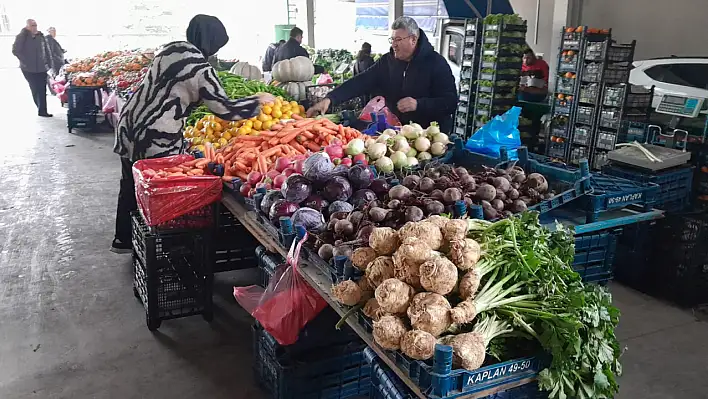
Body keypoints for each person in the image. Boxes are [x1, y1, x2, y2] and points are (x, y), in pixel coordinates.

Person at [111, 14, 273, 253]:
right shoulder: (200, 69)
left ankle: (123, 239)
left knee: (130, 182)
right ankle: (163, 247)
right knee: (161, 193)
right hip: (158, 134)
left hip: (129, 125)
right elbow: (224, 109)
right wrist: (256, 102)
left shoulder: (169, 51)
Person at [306, 16, 457, 133]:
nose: (394, 44)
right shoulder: (387, 62)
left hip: (429, 137)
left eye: (398, 39)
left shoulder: (436, 63)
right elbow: (361, 81)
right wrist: (330, 99)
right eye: (392, 39)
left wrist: (418, 104)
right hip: (397, 136)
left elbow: (450, 102)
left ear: (413, 39)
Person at [12, 19, 53, 117]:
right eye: (32, 25)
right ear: (27, 27)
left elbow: (47, 50)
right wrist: (25, 61)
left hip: (42, 67)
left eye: (35, 25)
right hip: (28, 69)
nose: (34, 27)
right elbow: (15, 50)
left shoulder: (41, 36)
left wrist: (49, 64)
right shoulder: (22, 36)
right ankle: (39, 106)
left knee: (42, 89)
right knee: (34, 88)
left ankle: (43, 110)